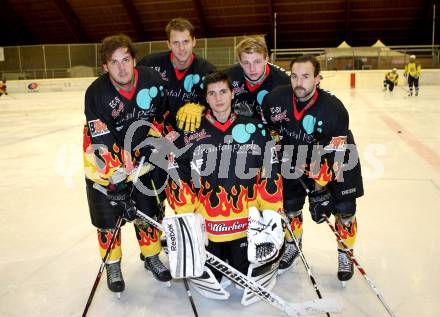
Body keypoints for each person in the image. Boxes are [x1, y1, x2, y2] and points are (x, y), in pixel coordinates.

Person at [166, 71, 284, 285]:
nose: (218, 98)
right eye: (212, 93)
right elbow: (177, 172)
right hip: (209, 225)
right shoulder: (191, 132)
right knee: (215, 275)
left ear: (232, 94)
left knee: (243, 274)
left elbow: (271, 169)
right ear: (206, 99)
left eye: (223, 92)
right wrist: (185, 215)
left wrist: (270, 209)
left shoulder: (255, 128)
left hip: (245, 223)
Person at [83, 34, 172, 295]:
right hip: (103, 163)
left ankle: (152, 257)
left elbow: (162, 115)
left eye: (125, 60)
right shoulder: (96, 93)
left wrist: (158, 139)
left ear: (134, 60)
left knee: (147, 212)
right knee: (108, 220)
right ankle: (113, 264)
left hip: (141, 158)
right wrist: (116, 181)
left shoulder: (151, 80)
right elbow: (101, 141)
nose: (121, 68)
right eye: (114, 62)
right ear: (105, 67)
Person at [262, 55, 364, 284]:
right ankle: (293, 245)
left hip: (336, 159)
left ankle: (345, 253)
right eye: (294, 76)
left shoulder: (334, 110)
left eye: (306, 76)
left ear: (318, 78)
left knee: (345, 211)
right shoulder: (275, 99)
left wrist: (319, 191)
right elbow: (270, 129)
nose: (299, 82)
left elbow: (335, 152)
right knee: (289, 209)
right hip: (294, 159)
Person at [138, 18, 216, 132]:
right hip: (153, 134)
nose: (181, 48)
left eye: (186, 41)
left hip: (189, 134)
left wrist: (201, 107)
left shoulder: (208, 71)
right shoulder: (149, 65)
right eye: (176, 43)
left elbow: (219, 102)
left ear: (194, 41)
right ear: (168, 44)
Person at [224, 35, 290, 120]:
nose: (252, 69)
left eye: (257, 62)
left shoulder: (284, 82)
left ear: (266, 59)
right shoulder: (227, 77)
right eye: (246, 63)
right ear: (240, 62)